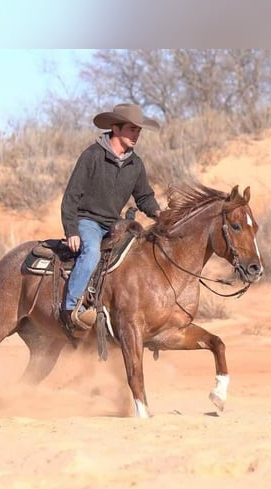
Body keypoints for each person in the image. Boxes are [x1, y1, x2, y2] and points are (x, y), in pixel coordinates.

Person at [59, 103, 162, 334]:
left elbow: (144, 196)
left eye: (139, 130)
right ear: (116, 129)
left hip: (115, 224)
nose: (136, 135)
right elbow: (71, 196)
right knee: (92, 253)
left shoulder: (135, 163)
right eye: (132, 129)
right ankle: (70, 308)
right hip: (88, 221)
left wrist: (158, 213)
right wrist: (72, 231)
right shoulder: (92, 155)